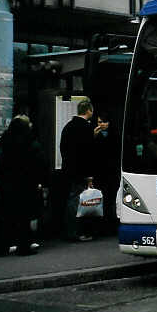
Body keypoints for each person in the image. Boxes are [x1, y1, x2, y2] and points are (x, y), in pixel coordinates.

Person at [0, 115, 45, 257]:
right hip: (25, 186)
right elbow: (39, 164)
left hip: (6, 186)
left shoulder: (6, 142)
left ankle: (1, 249)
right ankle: (24, 247)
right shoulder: (30, 143)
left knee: (5, 221)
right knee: (23, 219)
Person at [60, 97, 96, 241]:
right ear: (88, 111)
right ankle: (77, 232)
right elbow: (87, 153)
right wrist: (89, 175)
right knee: (80, 201)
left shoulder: (68, 126)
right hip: (81, 171)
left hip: (68, 168)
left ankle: (70, 230)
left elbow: (64, 148)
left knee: (71, 199)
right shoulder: (86, 128)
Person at [93, 110, 121, 229]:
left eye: (104, 122)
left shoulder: (115, 134)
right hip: (99, 171)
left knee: (111, 198)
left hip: (111, 170)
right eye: (100, 122)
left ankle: (111, 223)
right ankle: (102, 224)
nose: (102, 124)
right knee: (101, 198)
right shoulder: (95, 135)